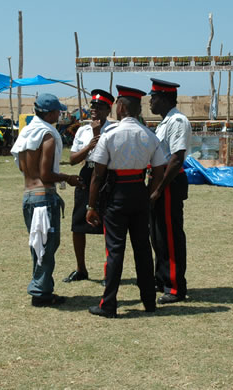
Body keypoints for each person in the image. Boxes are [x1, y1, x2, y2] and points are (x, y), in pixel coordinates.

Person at [85, 85, 167, 318]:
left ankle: (108, 304)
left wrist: (91, 206)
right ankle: (149, 302)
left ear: (120, 107)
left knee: (115, 251)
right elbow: (159, 170)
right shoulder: (148, 135)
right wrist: (151, 194)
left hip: (116, 195)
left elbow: (98, 174)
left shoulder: (110, 135)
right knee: (142, 249)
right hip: (139, 193)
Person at [10, 93, 83, 308]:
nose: (59, 115)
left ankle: (42, 288)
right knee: (46, 246)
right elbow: (46, 174)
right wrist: (68, 178)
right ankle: (41, 292)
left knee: (38, 245)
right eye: (57, 112)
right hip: (43, 197)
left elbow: (24, 168)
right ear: (50, 112)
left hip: (29, 195)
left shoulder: (27, 132)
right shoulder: (47, 136)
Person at [63, 89, 115, 283]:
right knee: (78, 224)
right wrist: (89, 146)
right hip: (87, 173)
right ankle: (81, 269)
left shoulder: (113, 130)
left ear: (108, 110)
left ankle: (108, 271)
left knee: (108, 225)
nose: (94, 111)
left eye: (100, 107)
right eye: (93, 106)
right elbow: (72, 160)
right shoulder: (83, 131)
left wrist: (99, 137)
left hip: (106, 176)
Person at [148, 78, 192, 305]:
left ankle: (175, 287)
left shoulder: (177, 121)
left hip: (169, 181)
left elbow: (176, 159)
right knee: (157, 235)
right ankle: (162, 278)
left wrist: (159, 189)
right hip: (159, 180)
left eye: (153, 98)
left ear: (165, 98)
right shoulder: (165, 122)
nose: (150, 102)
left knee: (171, 237)